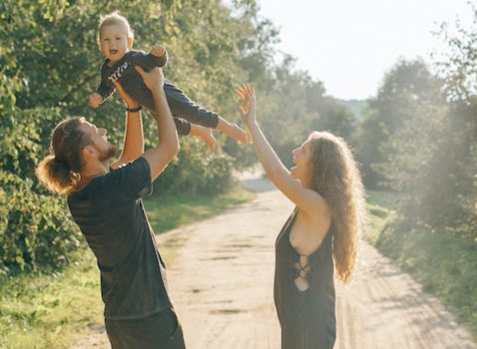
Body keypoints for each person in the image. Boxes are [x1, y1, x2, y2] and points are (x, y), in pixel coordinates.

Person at [36, 66, 187, 349]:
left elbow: (131, 156)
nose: (103, 130)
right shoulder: (114, 187)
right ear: (88, 152)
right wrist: (157, 90)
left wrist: (133, 108)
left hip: (119, 318)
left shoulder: (81, 194)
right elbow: (169, 147)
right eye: (95, 131)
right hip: (148, 315)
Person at [237, 85, 366, 349]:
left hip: (308, 326)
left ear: (318, 165)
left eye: (303, 151)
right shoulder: (307, 205)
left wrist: (253, 125)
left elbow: (276, 173)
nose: (295, 152)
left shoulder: (318, 206)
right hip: (302, 322)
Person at [89, 11, 248, 148]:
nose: (112, 43)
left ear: (128, 42)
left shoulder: (134, 57)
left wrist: (160, 55)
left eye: (118, 38)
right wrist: (99, 96)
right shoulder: (106, 70)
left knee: (192, 112)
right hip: (151, 103)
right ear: (100, 45)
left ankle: (228, 128)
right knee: (170, 127)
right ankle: (202, 131)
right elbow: (107, 87)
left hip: (164, 92)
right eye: (107, 40)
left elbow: (156, 62)